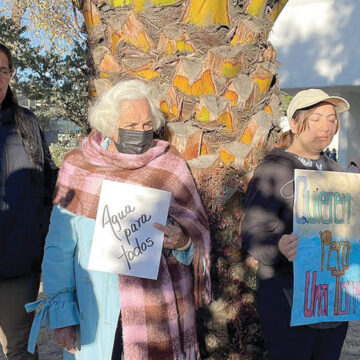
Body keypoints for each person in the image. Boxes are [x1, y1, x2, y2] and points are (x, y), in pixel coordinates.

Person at [26, 80, 211, 360]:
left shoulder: (169, 164)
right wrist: (63, 316)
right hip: (98, 314)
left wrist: (183, 241)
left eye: (147, 125)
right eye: (132, 125)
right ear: (111, 126)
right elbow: (59, 249)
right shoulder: (79, 166)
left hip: (160, 315)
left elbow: (195, 235)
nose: (141, 132)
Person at [242, 88, 350, 360]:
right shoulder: (273, 170)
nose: (327, 126)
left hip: (333, 302)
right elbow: (252, 233)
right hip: (288, 299)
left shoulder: (338, 173)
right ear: (294, 123)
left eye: (332, 118)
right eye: (316, 118)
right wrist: (278, 245)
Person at [0, 44, 57, 360]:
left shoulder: (26, 122)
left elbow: (49, 179)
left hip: (19, 261)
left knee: (21, 349)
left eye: (3, 69)